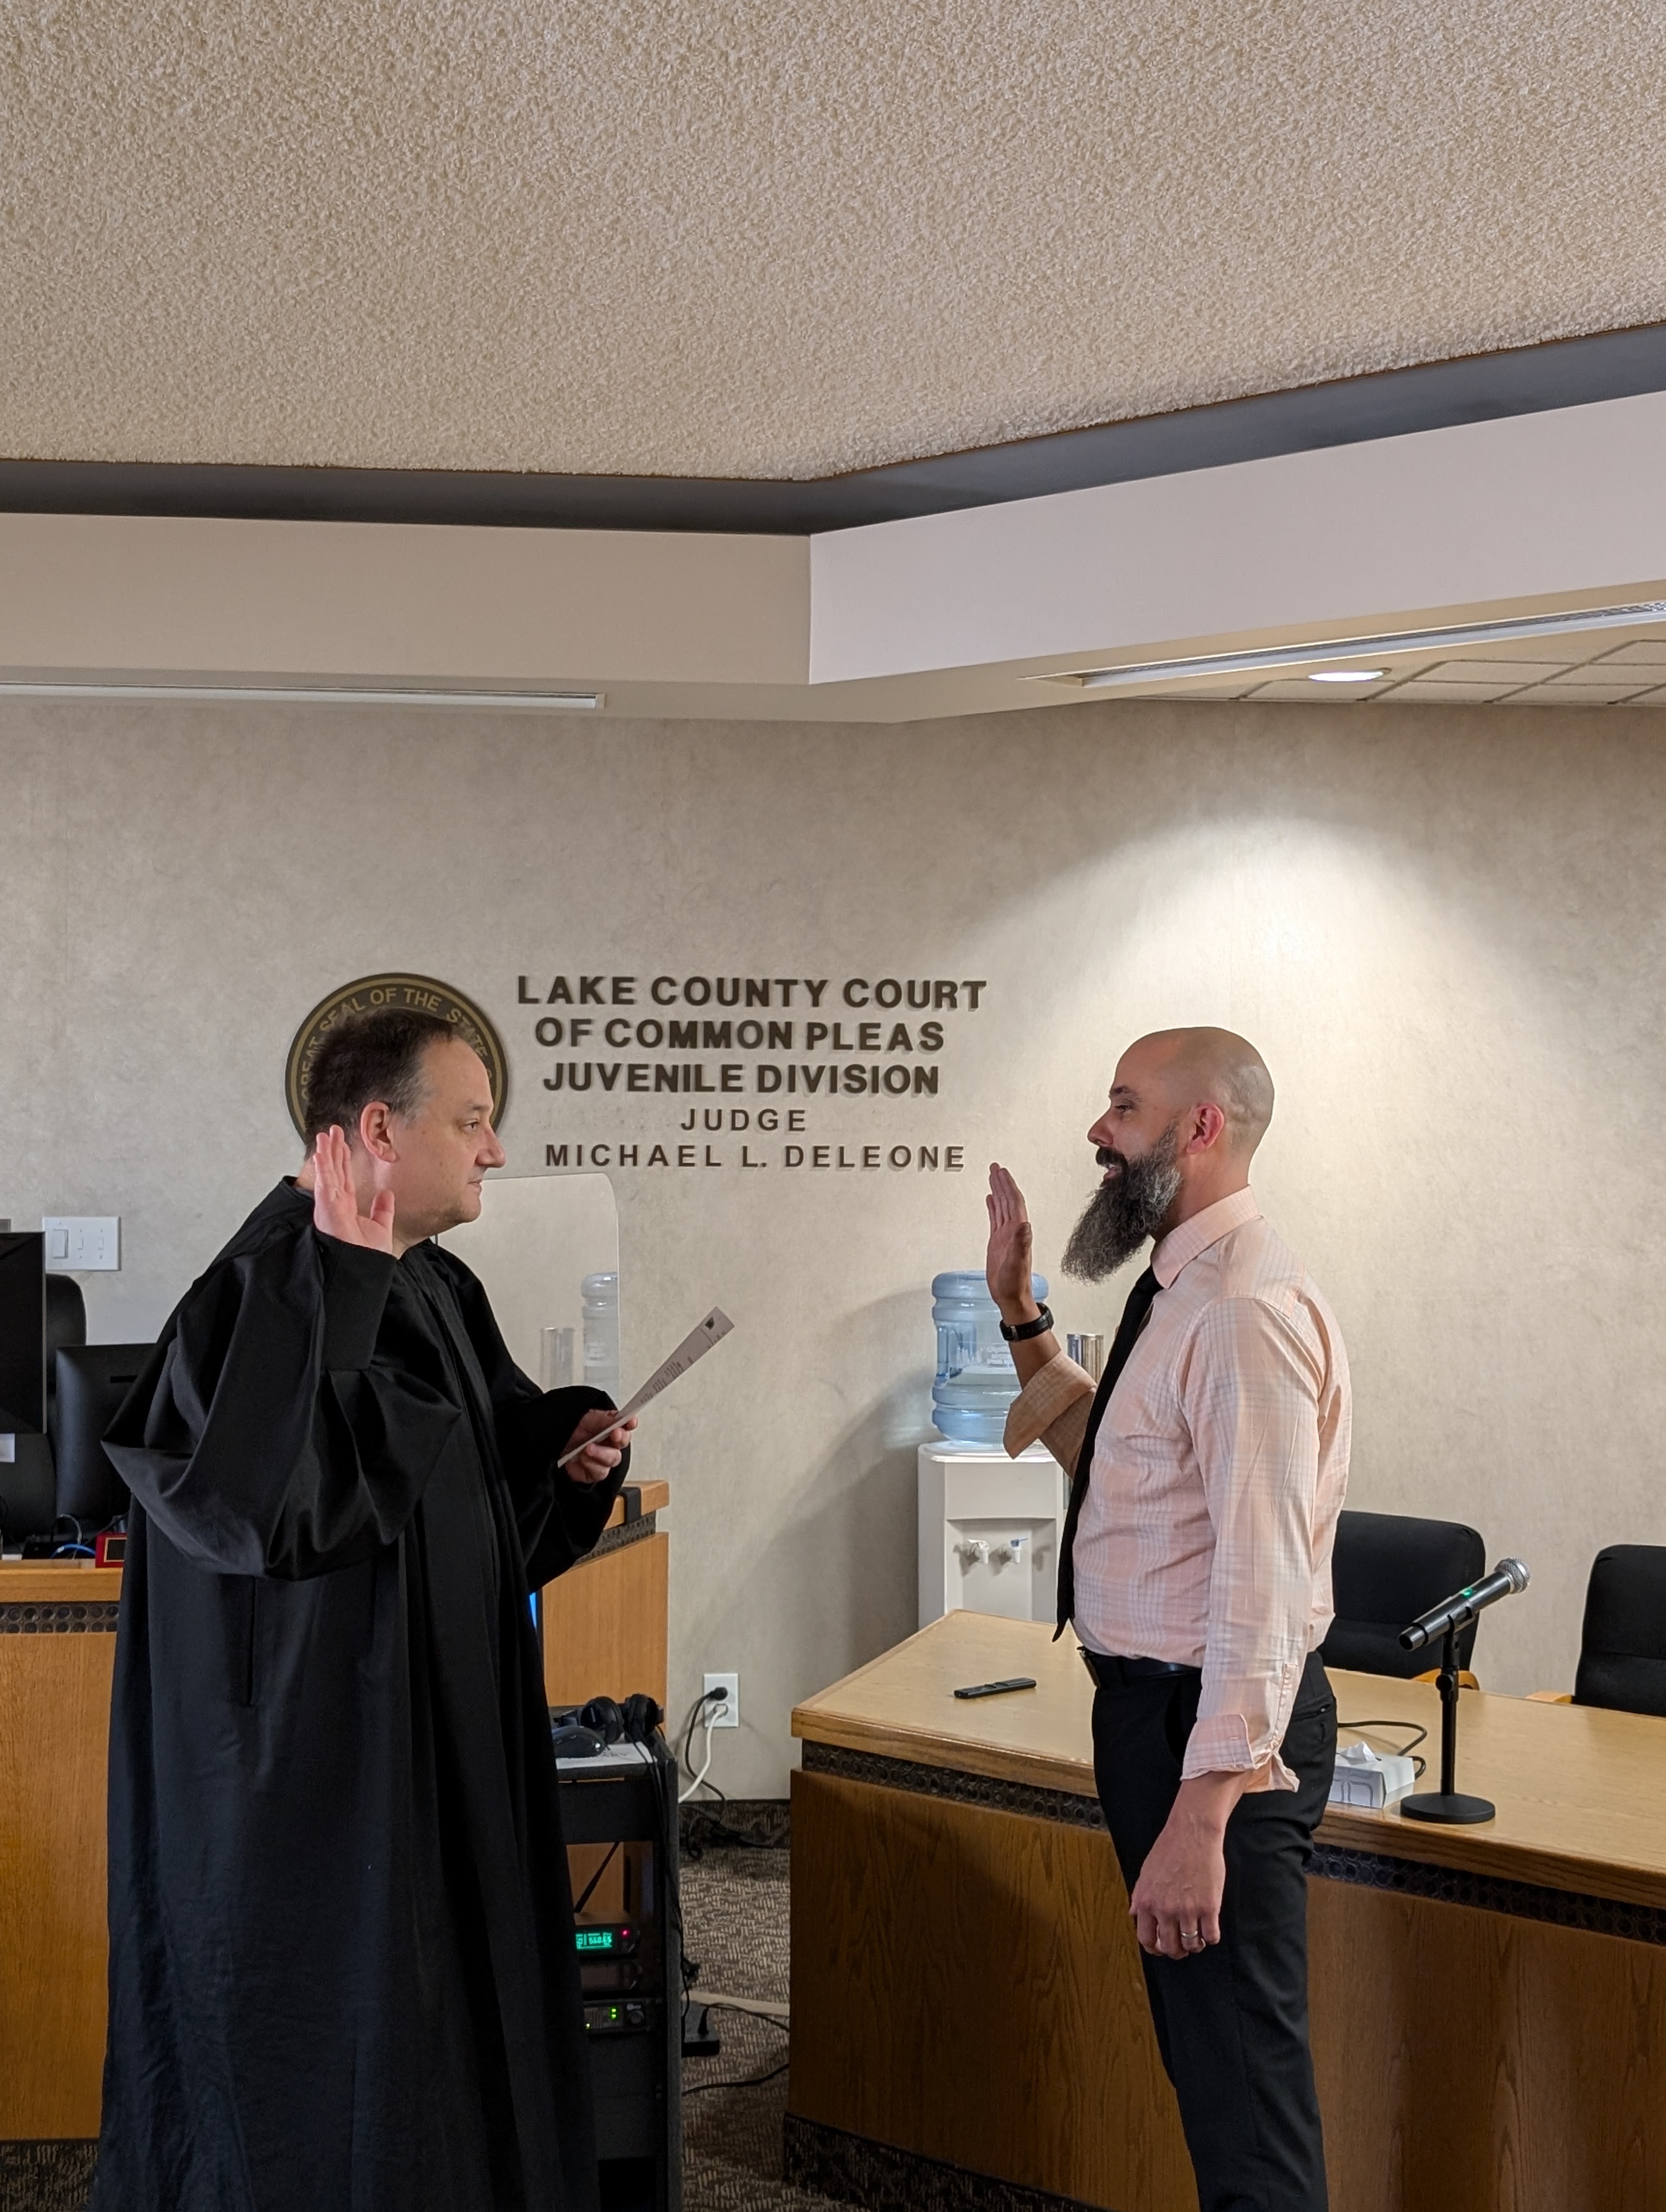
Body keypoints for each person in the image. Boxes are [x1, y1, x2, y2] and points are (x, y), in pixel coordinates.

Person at [92, 1007, 637, 2212]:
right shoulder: (264, 1285)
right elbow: (264, 1516)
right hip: (322, 1801)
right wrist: (339, 1284)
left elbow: (461, 1489)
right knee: (345, 2066)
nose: (495, 1151)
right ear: (379, 1129)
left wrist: (559, 1444)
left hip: (434, 1758)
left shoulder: (427, 1279)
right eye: (475, 1120)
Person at [985, 1027, 1349, 2212]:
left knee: (1244, 2098)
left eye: (1124, 1108)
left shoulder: (1242, 1308)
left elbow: (1261, 1583)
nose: (1099, 1131)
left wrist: (1203, 1816)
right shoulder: (1182, 1284)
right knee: (1213, 2072)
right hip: (1166, 1727)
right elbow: (1122, 1471)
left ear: (1200, 1130)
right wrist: (1020, 1314)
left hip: (1215, 1746)